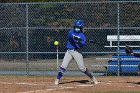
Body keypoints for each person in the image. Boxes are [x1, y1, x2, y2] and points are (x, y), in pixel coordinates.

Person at [54, 20, 98, 85]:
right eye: (76, 27)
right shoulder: (70, 32)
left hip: (77, 52)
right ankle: (57, 79)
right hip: (69, 51)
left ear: (81, 28)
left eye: (78, 27)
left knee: (82, 68)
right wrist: (76, 38)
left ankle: (92, 77)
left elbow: (81, 44)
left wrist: (79, 41)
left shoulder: (82, 36)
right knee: (63, 66)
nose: (77, 28)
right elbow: (71, 36)